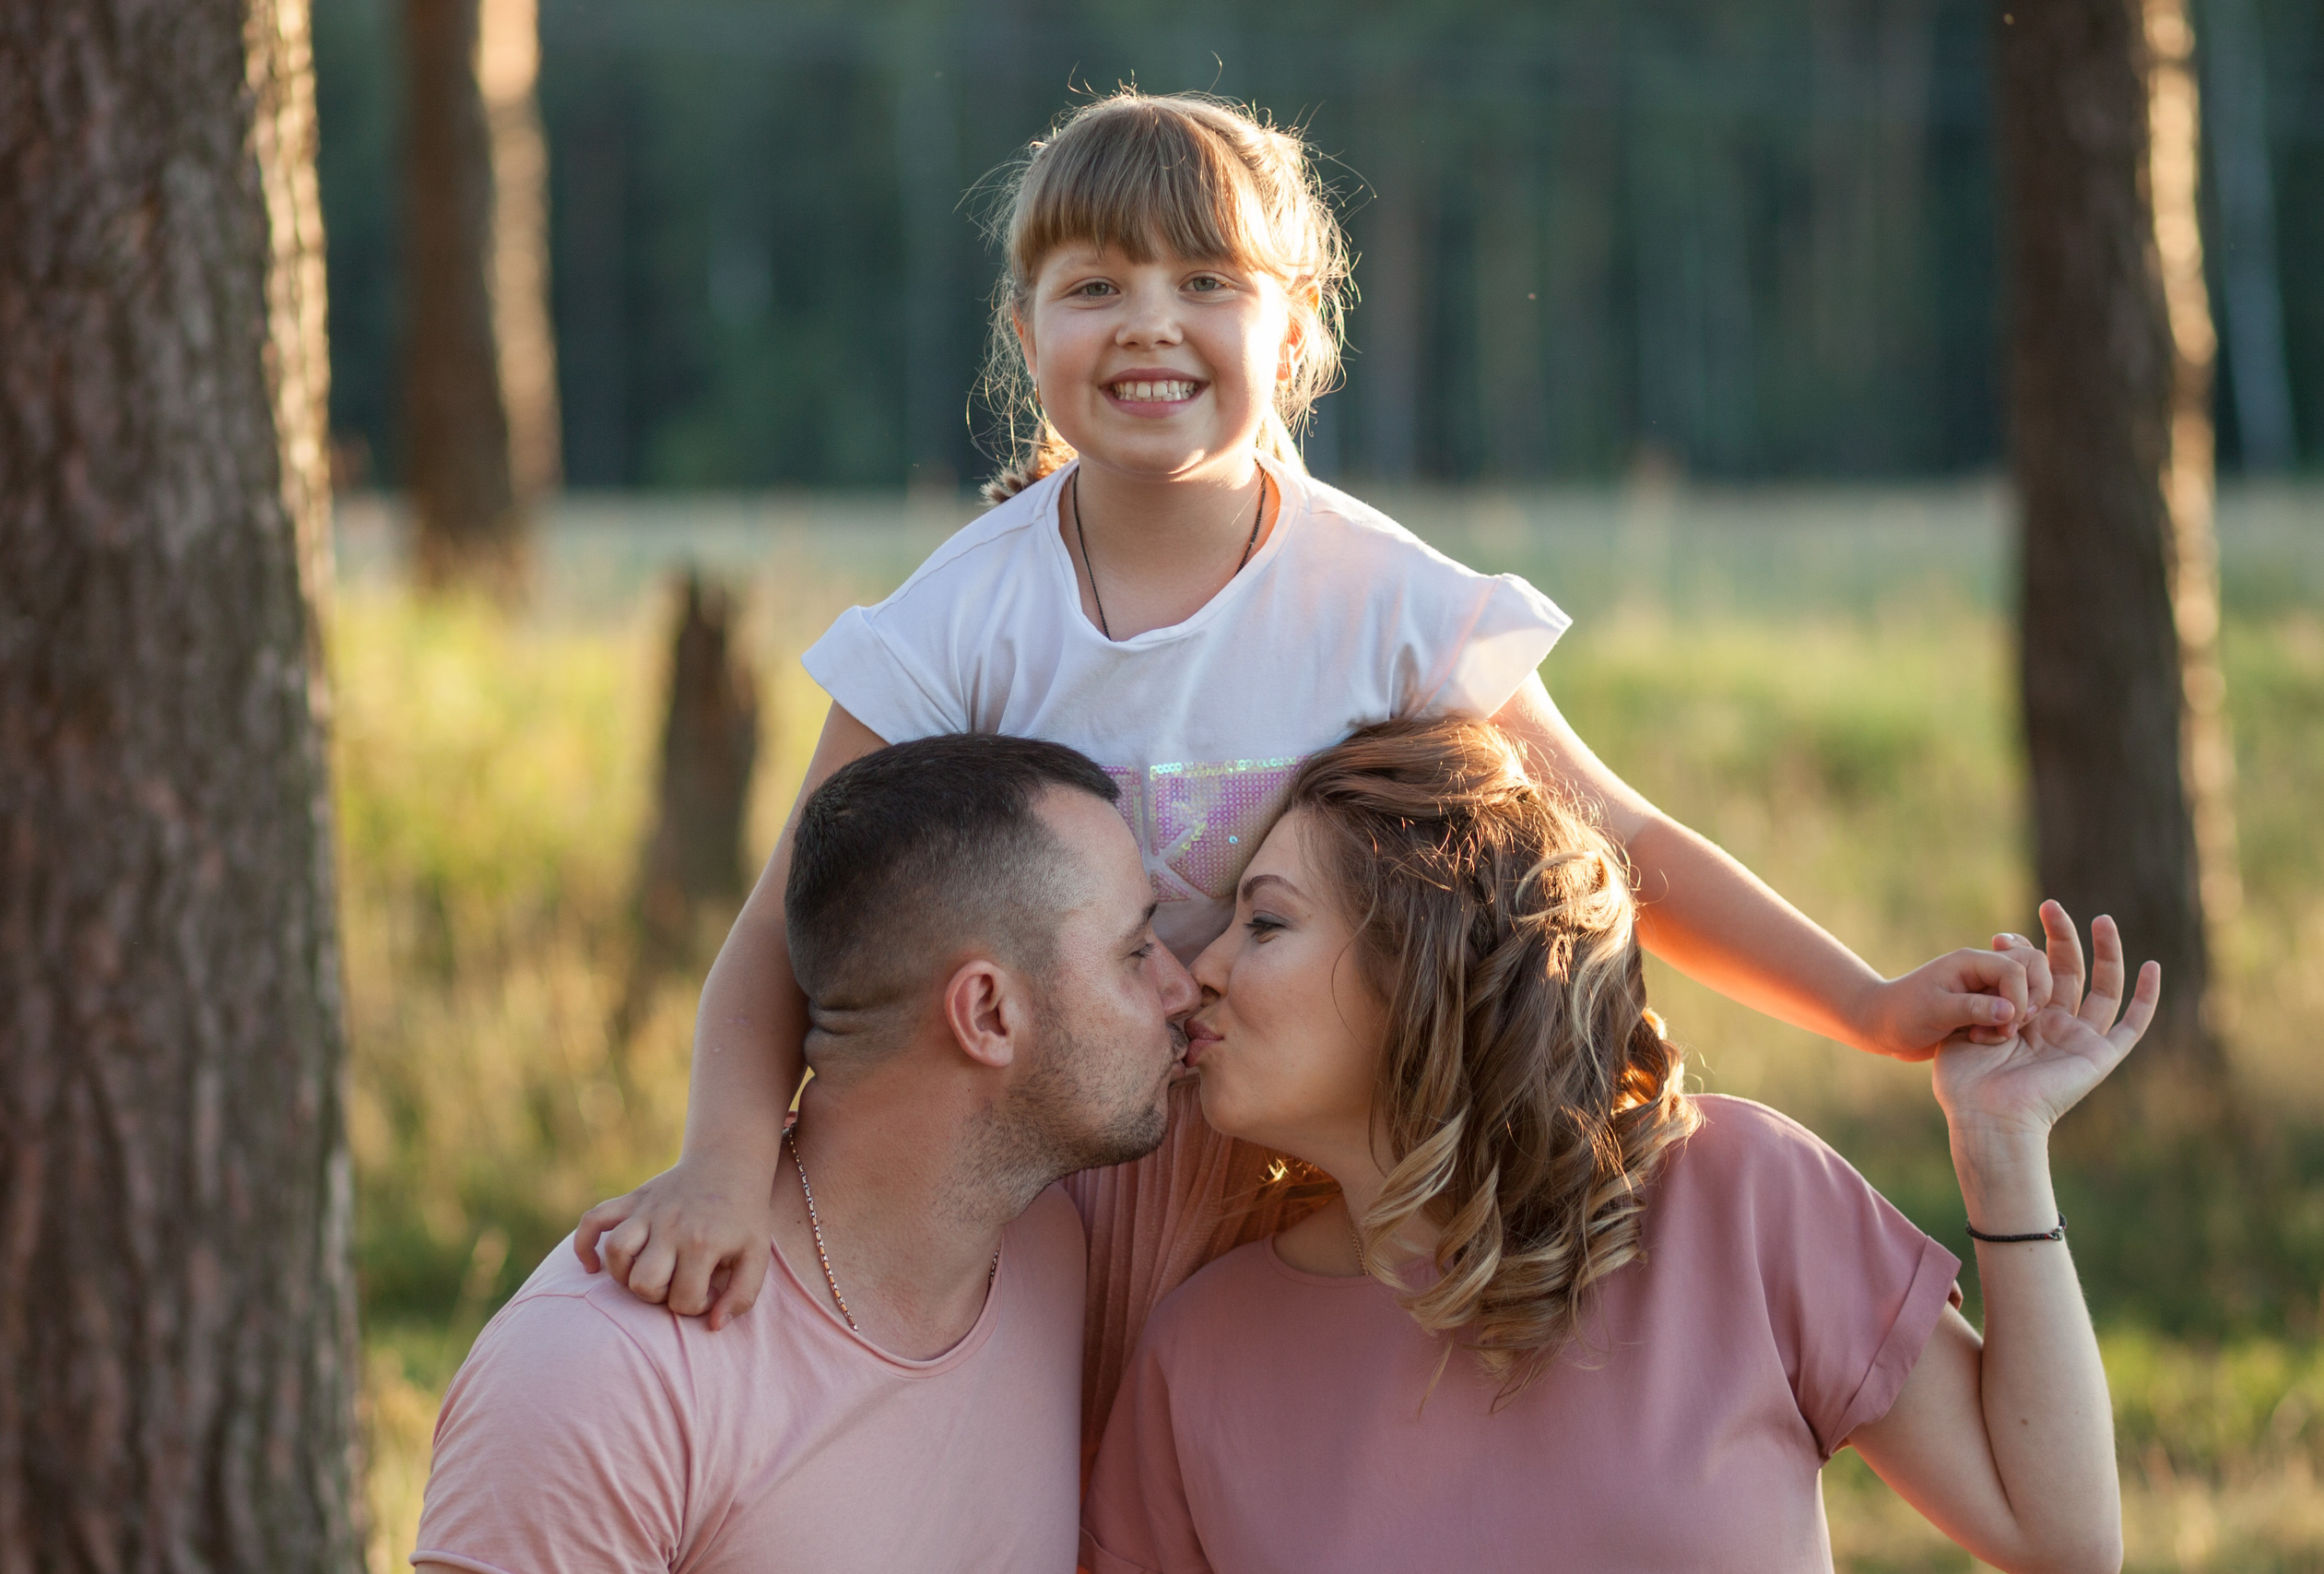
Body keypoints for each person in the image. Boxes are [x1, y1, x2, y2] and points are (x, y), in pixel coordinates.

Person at [573, 89, 2039, 1468]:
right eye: (1094, 286)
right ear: (1026, 334)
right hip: (1042, 1168)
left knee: (1251, 1487)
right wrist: (720, 1163)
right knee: (1039, 1492)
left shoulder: (1380, 597)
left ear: (1295, 332)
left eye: (1206, 280)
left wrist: (1869, 1005)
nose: (1151, 323)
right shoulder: (969, 614)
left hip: (1308, 1182)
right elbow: (789, 920)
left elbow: (1620, 839)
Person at [1084, 717, 2153, 1574]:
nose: (1197, 972)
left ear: (1424, 967)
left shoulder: (1737, 1196)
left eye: (1263, 924)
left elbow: (2054, 1536)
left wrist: (2001, 1149)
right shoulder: (1197, 1359)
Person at [413, 735, 1197, 1573]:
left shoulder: (1052, 1255)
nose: (1182, 986)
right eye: (1136, 950)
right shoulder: (601, 1378)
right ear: (989, 1015)